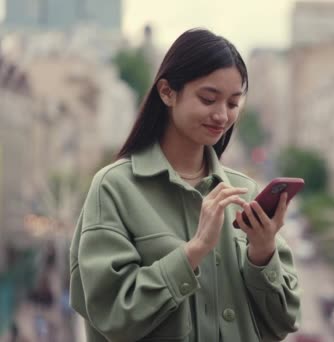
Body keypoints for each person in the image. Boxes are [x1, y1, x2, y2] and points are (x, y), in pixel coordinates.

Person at [69, 28, 301, 342]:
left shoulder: (244, 192)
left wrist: (262, 254)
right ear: (167, 92)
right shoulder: (114, 188)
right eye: (208, 98)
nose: (221, 115)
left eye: (233, 103)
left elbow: (285, 321)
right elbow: (112, 315)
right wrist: (194, 251)